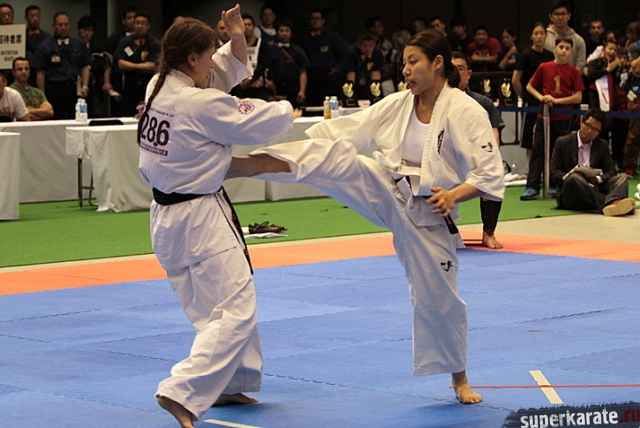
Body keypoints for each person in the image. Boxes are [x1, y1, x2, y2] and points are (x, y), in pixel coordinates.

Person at [228, 29, 504, 405]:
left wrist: (454, 194)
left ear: (438, 63)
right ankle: (242, 165)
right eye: (403, 62)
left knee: (440, 297)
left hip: (427, 210)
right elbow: (349, 131)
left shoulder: (465, 110)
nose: (405, 70)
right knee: (334, 156)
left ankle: (460, 379)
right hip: (385, 186)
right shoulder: (398, 103)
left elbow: (490, 173)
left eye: (413, 62)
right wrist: (304, 133)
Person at [136, 6, 295, 427]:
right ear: (192, 58)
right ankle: (181, 391)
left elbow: (221, 72)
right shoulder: (197, 103)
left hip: (166, 217)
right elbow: (250, 116)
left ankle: (228, 383)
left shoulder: (159, 85)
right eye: (208, 54)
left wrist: (236, 37)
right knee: (237, 308)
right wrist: (286, 109)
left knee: (210, 311)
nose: (212, 62)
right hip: (201, 218)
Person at [452, 51, 505, 249]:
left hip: (474, 162)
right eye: (452, 69)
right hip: (445, 162)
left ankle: (488, 233)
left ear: (469, 74)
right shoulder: (434, 101)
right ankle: (445, 231)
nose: (456, 73)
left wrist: (489, 164)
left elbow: (494, 139)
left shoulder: (483, 103)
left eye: (460, 69)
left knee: (493, 175)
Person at [521, 37, 584, 200]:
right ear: (555, 48)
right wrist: (542, 98)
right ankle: (532, 186)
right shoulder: (544, 67)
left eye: (567, 48)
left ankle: (555, 184)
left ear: (571, 51)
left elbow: (578, 96)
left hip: (564, 117)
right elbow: (529, 86)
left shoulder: (574, 71)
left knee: (559, 152)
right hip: (544, 116)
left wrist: (557, 101)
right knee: (538, 150)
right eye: (561, 47)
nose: (563, 51)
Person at [551, 107, 636, 216]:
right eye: (588, 125)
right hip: (572, 193)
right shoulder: (562, 142)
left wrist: (598, 179)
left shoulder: (602, 145)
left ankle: (612, 203)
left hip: (594, 189)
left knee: (621, 178)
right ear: (582, 122)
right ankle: (611, 203)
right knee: (575, 178)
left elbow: (611, 171)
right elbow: (554, 173)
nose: (590, 131)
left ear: (599, 132)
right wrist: (571, 175)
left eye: (595, 129)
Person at [33, 12, 91, 120]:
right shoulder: (44, 47)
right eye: (60, 25)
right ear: (53, 26)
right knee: (56, 119)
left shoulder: (78, 44)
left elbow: (85, 66)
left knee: (75, 119)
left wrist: (85, 86)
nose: (63, 27)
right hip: (54, 88)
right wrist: (42, 96)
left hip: (73, 88)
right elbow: (40, 73)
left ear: (70, 26)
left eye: (66, 24)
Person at [512, 22, 555, 166]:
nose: (539, 36)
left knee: (547, 138)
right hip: (531, 103)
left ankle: (547, 170)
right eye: (536, 33)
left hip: (547, 101)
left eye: (542, 33)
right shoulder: (525, 55)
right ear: (531, 36)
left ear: (546, 35)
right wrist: (524, 96)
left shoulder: (550, 55)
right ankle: (532, 172)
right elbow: (515, 80)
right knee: (530, 139)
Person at [586, 39, 628, 169]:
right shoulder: (595, 63)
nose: (612, 52)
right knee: (600, 135)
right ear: (604, 50)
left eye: (615, 50)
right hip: (598, 104)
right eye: (610, 49)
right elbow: (591, 75)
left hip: (615, 106)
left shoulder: (619, 66)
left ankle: (617, 162)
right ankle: (598, 163)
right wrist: (607, 69)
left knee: (618, 136)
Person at [114, 10, 160, 116]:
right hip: (128, 86)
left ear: (148, 26)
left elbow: (151, 66)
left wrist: (130, 65)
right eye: (137, 23)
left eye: (143, 23)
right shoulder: (125, 41)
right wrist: (141, 66)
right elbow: (121, 64)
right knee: (127, 115)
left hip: (147, 85)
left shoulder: (154, 43)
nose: (139, 26)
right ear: (133, 24)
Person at [300, 9, 348, 106]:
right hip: (311, 78)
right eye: (313, 18)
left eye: (317, 18)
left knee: (330, 106)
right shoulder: (304, 38)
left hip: (328, 77)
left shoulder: (332, 36)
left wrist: (337, 69)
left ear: (323, 21)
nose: (315, 21)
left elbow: (345, 53)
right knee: (312, 106)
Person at [266, 19, 309, 108]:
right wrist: (266, 82)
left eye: (287, 30)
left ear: (291, 32)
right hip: (274, 89)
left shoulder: (298, 50)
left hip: (293, 89)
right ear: (277, 32)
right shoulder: (269, 49)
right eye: (281, 31)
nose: (284, 33)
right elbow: (261, 68)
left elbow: (303, 72)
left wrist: (302, 91)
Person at [338, 33, 384, 102]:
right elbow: (351, 74)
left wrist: (375, 95)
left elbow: (376, 74)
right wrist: (351, 96)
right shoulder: (351, 52)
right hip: (347, 79)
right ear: (359, 45)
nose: (368, 49)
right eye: (365, 45)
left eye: (370, 45)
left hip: (366, 80)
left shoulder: (377, 53)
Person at [544, 0, 586, 72]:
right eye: (556, 14)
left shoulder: (579, 40)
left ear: (569, 16)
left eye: (563, 13)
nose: (560, 17)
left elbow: (580, 64)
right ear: (551, 17)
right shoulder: (544, 37)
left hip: (570, 78)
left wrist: (569, 77)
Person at [622, 57, 640, 178]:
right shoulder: (635, 49)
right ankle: (629, 165)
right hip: (637, 98)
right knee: (634, 134)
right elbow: (636, 68)